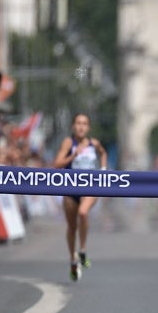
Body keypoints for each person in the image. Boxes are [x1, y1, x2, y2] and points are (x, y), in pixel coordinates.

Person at [53, 113, 109, 282]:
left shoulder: (94, 143)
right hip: (70, 190)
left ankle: (83, 249)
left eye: (84, 123)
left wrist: (104, 169)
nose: (81, 127)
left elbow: (103, 153)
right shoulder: (68, 143)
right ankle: (72, 260)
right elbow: (57, 165)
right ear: (73, 126)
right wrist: (73, 155)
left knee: (83, 213)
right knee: (71, 227)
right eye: (78, 123)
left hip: (90, 187)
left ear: (88, 127)